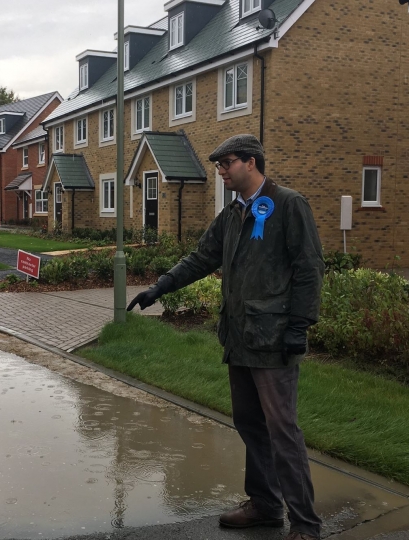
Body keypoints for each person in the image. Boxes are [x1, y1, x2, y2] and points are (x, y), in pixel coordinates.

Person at [128, 134, 325, 540]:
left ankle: (305, 523)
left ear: (251, 163)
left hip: (274, 339)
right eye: (217, 165)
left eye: (226, 164)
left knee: (282, 430)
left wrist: (299, 326)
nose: (220, 171)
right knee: (250, 423)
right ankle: (266, 506)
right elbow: (202, 257)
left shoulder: (288, 204)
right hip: (239, 336)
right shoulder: (233, 213)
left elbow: (309, 267)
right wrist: (160, 287)